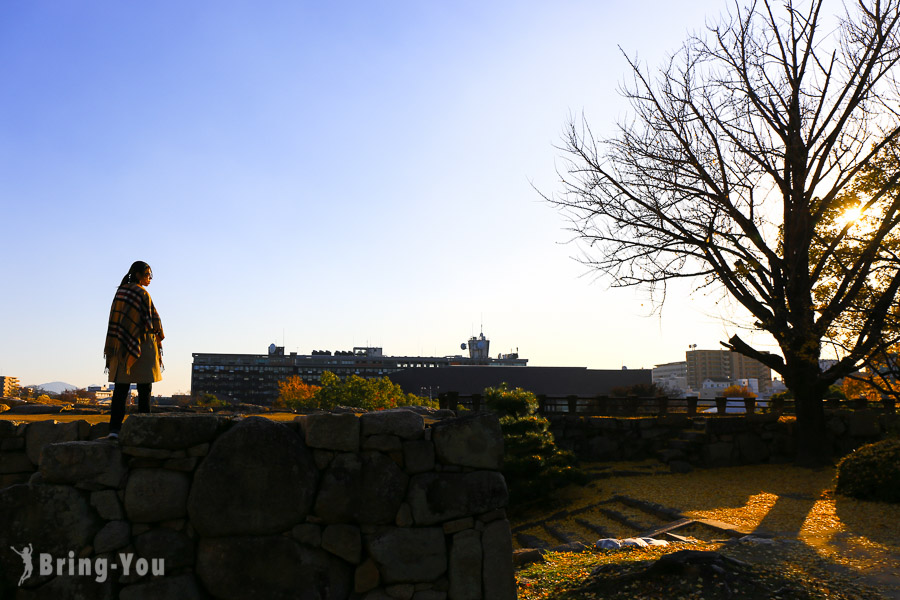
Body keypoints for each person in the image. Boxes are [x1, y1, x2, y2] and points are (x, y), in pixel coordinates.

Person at [101, 261, 164, 440]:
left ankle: (114, 430)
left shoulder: (120, 292)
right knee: (145, 389)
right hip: (142, 345)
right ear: (137, 274)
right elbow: (152, 322)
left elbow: (116, 320)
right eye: (147, 275)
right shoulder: (142, 293)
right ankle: (145, 429)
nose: (149, 279)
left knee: (120, 390)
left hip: (120, 345)